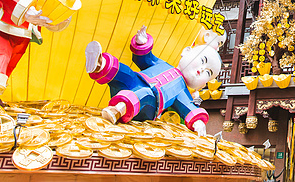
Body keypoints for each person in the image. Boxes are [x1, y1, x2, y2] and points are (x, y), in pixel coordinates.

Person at [85, 25, 225, 135]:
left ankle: (116, 111)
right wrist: (142, 43)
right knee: (125, 72)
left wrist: (198, 122)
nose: (201, 69)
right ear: (186, 51)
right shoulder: (162, 64)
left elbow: (188, 107)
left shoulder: (182, 90)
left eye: (208, 72)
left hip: (150, 105)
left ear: (204, 84)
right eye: (202, 61)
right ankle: (99, 64)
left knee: (144, 94)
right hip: (137, 80)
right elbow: (145, 59)